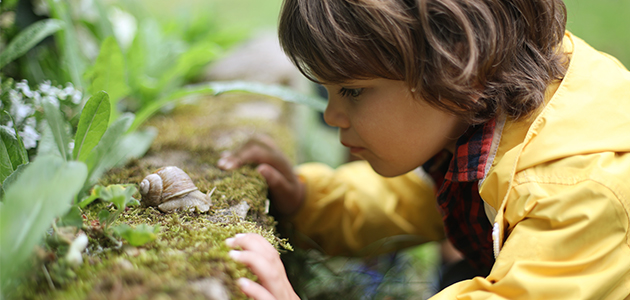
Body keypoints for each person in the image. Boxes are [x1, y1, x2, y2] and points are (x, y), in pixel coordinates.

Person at [219, 0, 630, 299]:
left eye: (352, 90)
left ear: (455, 63)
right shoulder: (499, 103)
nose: (332, 116)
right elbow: (428, 198)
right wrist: (309, 199)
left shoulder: (573, 188)